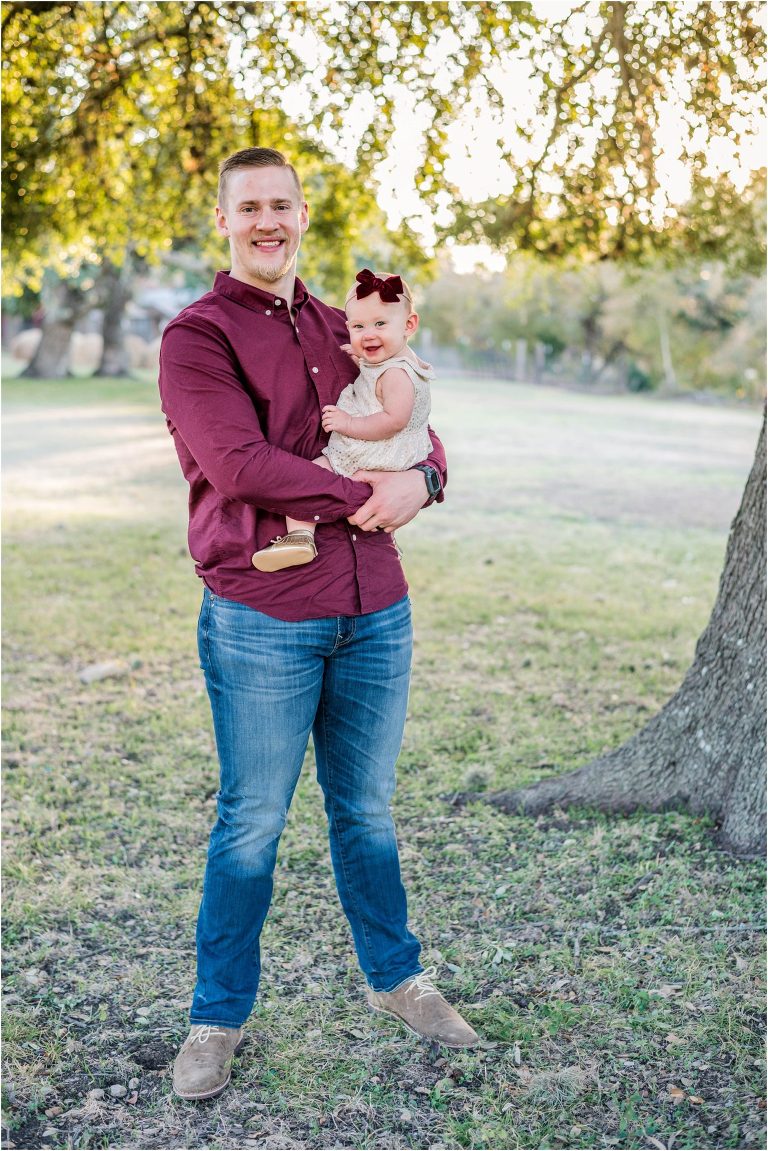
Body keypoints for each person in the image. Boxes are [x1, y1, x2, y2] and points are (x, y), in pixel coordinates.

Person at [158, 146, 478, 1103]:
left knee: (369, 811)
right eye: (248, 206)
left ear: (303, 215)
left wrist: (419, 482)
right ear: (225, 221)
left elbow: (418, 423)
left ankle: (397, 980)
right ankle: (216, 1017)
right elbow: (242, 464)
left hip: (376, 608)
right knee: (251, 822)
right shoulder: (197, 336)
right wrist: (366, 487)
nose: (268, 221)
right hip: (262, 614)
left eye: (282, 206)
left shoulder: (351, 326)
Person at [251, 267, 434, 572]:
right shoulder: (396, 361)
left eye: (380, 324)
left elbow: (394, 420)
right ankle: (384, 536)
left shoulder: (396, 375)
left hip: (373, 449)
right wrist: (362, 358)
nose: (369, 334)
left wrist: (348, 424)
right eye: (359, 326)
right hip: (394, 453)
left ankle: (299, 536)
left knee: (312, 476)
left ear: (409, 324)